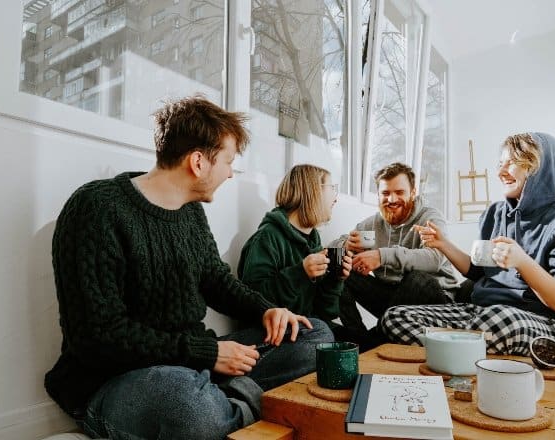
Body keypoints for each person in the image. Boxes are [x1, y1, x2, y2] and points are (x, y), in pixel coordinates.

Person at [44, 95, 334, 440]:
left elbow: (217, 281)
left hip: (191, 362)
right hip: (115, 379)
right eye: (227, 161)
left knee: (315, 336)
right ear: (198, 161)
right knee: (190, 406)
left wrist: (267, 310)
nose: (230, 173)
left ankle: (227, 402)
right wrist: (208, 354)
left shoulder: (191, 213)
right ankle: (229, 403)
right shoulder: (96, 209)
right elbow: (97, 337)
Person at [380, 133, 555, 356]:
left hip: (536, 321)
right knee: (395, 317)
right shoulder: (495, 214)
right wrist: (443, 244)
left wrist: (522, 262)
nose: (500, 172)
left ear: (540, 170)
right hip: (480, 313)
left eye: (512, 163)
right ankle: (466, 351)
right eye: (500, 164)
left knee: (502, 321)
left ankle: (453, 349)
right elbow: (479, 271)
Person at [333, 162, 462, 345]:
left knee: (417, 279)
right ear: (378, 195)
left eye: (399, 192)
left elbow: (435, 258)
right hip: (391, 299)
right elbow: (334, 246)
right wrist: (345, 244)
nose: (392, 199)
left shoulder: (430, 217)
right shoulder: (372, 225)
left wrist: (382, 255)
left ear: (413, 192)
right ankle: (359, 340)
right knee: (341, 268)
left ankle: (375, 339)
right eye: (385, 193)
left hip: (435, 301)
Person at [238, 164, 354, 338]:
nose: (336, 198)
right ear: (313, 191)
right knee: (325, 335)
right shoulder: (267, 238)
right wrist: (301, 272)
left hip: (307, 328)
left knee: (364, 342)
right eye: (332, 188)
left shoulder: (313, 241)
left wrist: (335, 279)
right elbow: (251, 301)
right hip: (272, 333)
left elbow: (325, 313)